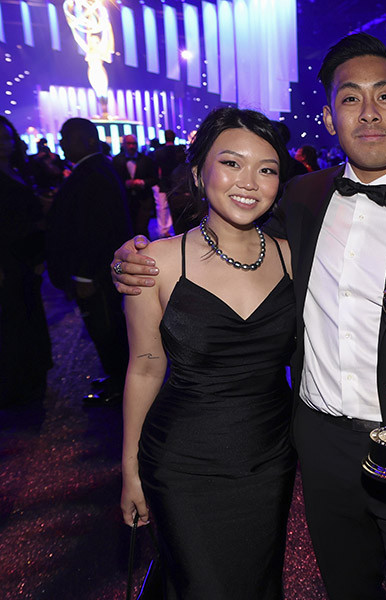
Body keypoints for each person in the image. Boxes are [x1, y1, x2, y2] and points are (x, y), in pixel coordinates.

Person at [112, 33, 386, 600]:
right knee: (343, 586)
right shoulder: (299, 201)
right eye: (349, 98)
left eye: (384, 96)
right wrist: (128, 257)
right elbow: (222, 246)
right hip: (318, 445)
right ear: (331, 118)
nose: (367, 113)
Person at [118, 107, 296, 598]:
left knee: (256, 583)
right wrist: (130, 471)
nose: (249, 181)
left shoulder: (293, 257)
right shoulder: (153, 262)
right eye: (232, 163)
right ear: (199, 173)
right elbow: (145, 367)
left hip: (268, 459)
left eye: (267, 169)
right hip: (181, 464)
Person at [46, 117, 133, 405]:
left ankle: (120, 385)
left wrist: (84, 276)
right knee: (105, 326)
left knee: (106, 326)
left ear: (87, 140)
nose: (61, 144)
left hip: (95, 273)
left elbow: (93, 230)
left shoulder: (93, 173)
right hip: (98, 270)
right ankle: (117, 379)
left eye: (66, 138)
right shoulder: (95, 169)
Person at [0, 115, 52, 406]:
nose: (3, 144)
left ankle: (31, 376)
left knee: (29, 312)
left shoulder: (19, 169)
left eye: (6, 137)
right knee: (12, 319)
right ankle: (15, 385)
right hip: (7, 257)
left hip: (27, 255)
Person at [113, 134, 159, 237]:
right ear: (123, 145)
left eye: (134, 144)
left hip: (143, 200)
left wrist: (142, 182)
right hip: (125, 200)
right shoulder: (116, 160)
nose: (132, 146)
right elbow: (113, 180)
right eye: (129, 144)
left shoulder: (146, 160)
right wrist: (125, 183)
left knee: (142, 229)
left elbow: (155, 179)